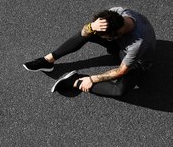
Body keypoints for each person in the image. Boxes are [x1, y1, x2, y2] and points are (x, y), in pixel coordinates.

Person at [23, 7, 156, 97]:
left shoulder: (137, 43)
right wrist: (91, 27)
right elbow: (84, 32)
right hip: (120, 45)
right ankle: (48, 60)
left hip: (138, 61)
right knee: (89, 33)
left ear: (116, 35)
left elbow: (121, 71)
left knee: (119, 90)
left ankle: (75, 80)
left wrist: (91, 79)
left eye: (106, 38)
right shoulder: (117, 12)